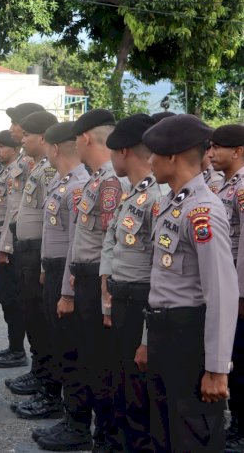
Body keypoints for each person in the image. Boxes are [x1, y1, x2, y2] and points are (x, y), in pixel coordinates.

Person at [140, 114, 237, 452]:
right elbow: (160, 283)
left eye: (153, 153)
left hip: (189, 338)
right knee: (164, 430)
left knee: (192, 433)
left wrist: (216, 368)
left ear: (173, 157)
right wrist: (146, 341)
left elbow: (222, 293)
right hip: (165, 334)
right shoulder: (171, 203)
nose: (148, 161)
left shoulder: (203, 212)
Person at [39, 109, 122, 452]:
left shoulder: (112, 182)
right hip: (83, 279)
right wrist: (68, 289)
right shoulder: (95, 180)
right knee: (86, 359)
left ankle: (102, 435)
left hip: (98, 284)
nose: (74, 145)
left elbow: (111, 245)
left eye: (76, 138)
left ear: (86, 138)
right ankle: (86, 429)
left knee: (99, 364)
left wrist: (102, 301)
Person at [98, 114, 160, 451]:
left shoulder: (156, 198)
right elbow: (113, 244)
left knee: (139, 394)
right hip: (122, 302)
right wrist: (108, 302)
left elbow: (162, 274)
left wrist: (148, 336)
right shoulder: (132, 194)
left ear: (123, 152)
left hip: (142, 306)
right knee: (122, 385)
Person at [29, 122, 90, 439]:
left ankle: (76, 422)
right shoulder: (63, 182)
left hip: (67, 274)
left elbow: (76, 244)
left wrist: (66, 289)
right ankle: (67, 414)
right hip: (53, 271)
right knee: (57, 343)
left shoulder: (79, 185)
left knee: (69, 349)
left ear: (54, 148)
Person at [6, 111, 60, 419]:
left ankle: (48, 385)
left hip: (40, 252)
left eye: (27, 135)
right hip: (27, 250)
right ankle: (40, 374)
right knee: (32, 317)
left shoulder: (51, 171)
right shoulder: (39, 167)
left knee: (43, 323)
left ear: (43, 138)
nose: (21, 138)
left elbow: (53, 223)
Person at [0, 102, 44, 374]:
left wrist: (6, 246)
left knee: (21, 301)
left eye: (16, 123)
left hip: (19, 243)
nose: (12, 129)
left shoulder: (31, 164)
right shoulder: (25, 162)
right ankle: (18, 351)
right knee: (9, 296)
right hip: (10, 238)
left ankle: (20, 353)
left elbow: (20, 210)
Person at [208, 124, 244, 451]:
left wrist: (242, 294)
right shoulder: (226, 186)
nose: (211, 153)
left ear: (238, 151)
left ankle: (240, 431)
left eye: (219, 147)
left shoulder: (242, 187)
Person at [0, 131, 26, 365]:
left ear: (14, 149)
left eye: (2, 146)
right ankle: (13, 346)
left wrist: (5, 247)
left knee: (11, 296)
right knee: (3, 294)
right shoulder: (6, 171)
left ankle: (18, 351)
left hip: (5, 238)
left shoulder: (18, 172)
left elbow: (14, 212)